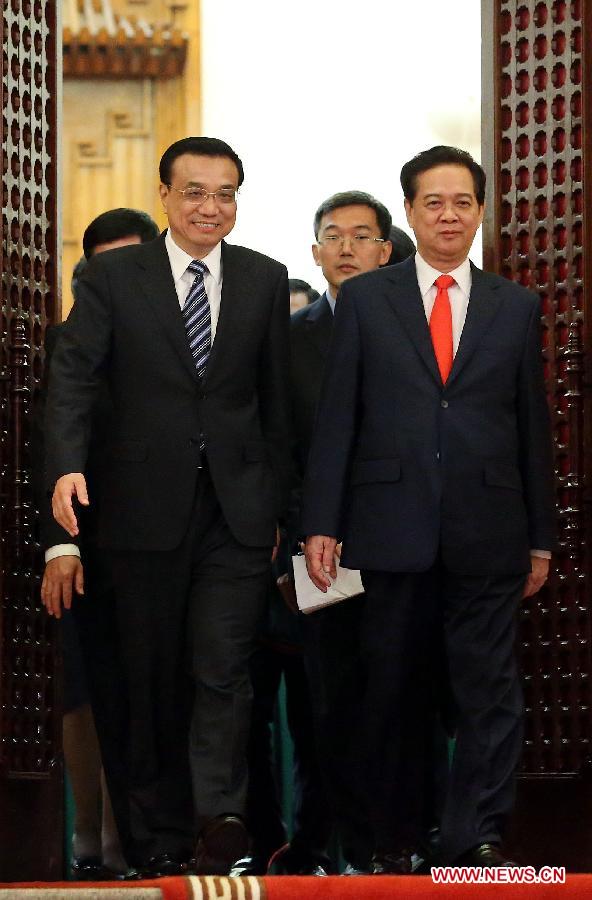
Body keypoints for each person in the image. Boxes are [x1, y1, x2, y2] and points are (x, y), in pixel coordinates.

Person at [302, 146, 555, 873]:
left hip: (490, 528)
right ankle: (397, 839)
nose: (449, 215)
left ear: (480, 212)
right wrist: (323, 522)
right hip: (388, 528)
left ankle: (475, 833)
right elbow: (338, 419)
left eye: (463, 202)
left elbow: (530, 426)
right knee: (393, 692)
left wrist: (539, 536)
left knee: (488, 693)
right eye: (433, 203)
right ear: (410, 212)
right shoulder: (370, 299)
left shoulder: (515, 305)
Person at [44, 137, 292, 877]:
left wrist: (282, 505)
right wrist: (65, 470)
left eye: (225, 193)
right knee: (147, 677)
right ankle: (154, 837)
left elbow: (274, 406)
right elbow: (74, 381)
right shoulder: (115, 277)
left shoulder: (263, 277)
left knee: (222, 669)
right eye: (195, 191)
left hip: (236, 514)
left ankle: (219, 818)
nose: (211, 206)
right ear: (164, 195)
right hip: (137, 512)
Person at [40, 208, 160, 880]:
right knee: (86, 692)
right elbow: (49, 450)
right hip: (88, 544)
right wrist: (62, 543)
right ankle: (93, 835)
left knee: (156, 693)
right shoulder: (69, 343)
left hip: (170, 545)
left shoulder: (193, 338)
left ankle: (139, 835)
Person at [288, 191, 393, 875]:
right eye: (335, 236)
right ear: (316, 252)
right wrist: (297, 532)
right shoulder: (289, 338)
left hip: (401, 541)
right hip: (314, 548)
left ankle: (390, 839)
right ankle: (326, 840)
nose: (348, 248)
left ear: (386, 250)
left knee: (397, 693)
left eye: (363, 236)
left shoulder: (414, 326)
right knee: (323, 698)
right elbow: (278, 442)